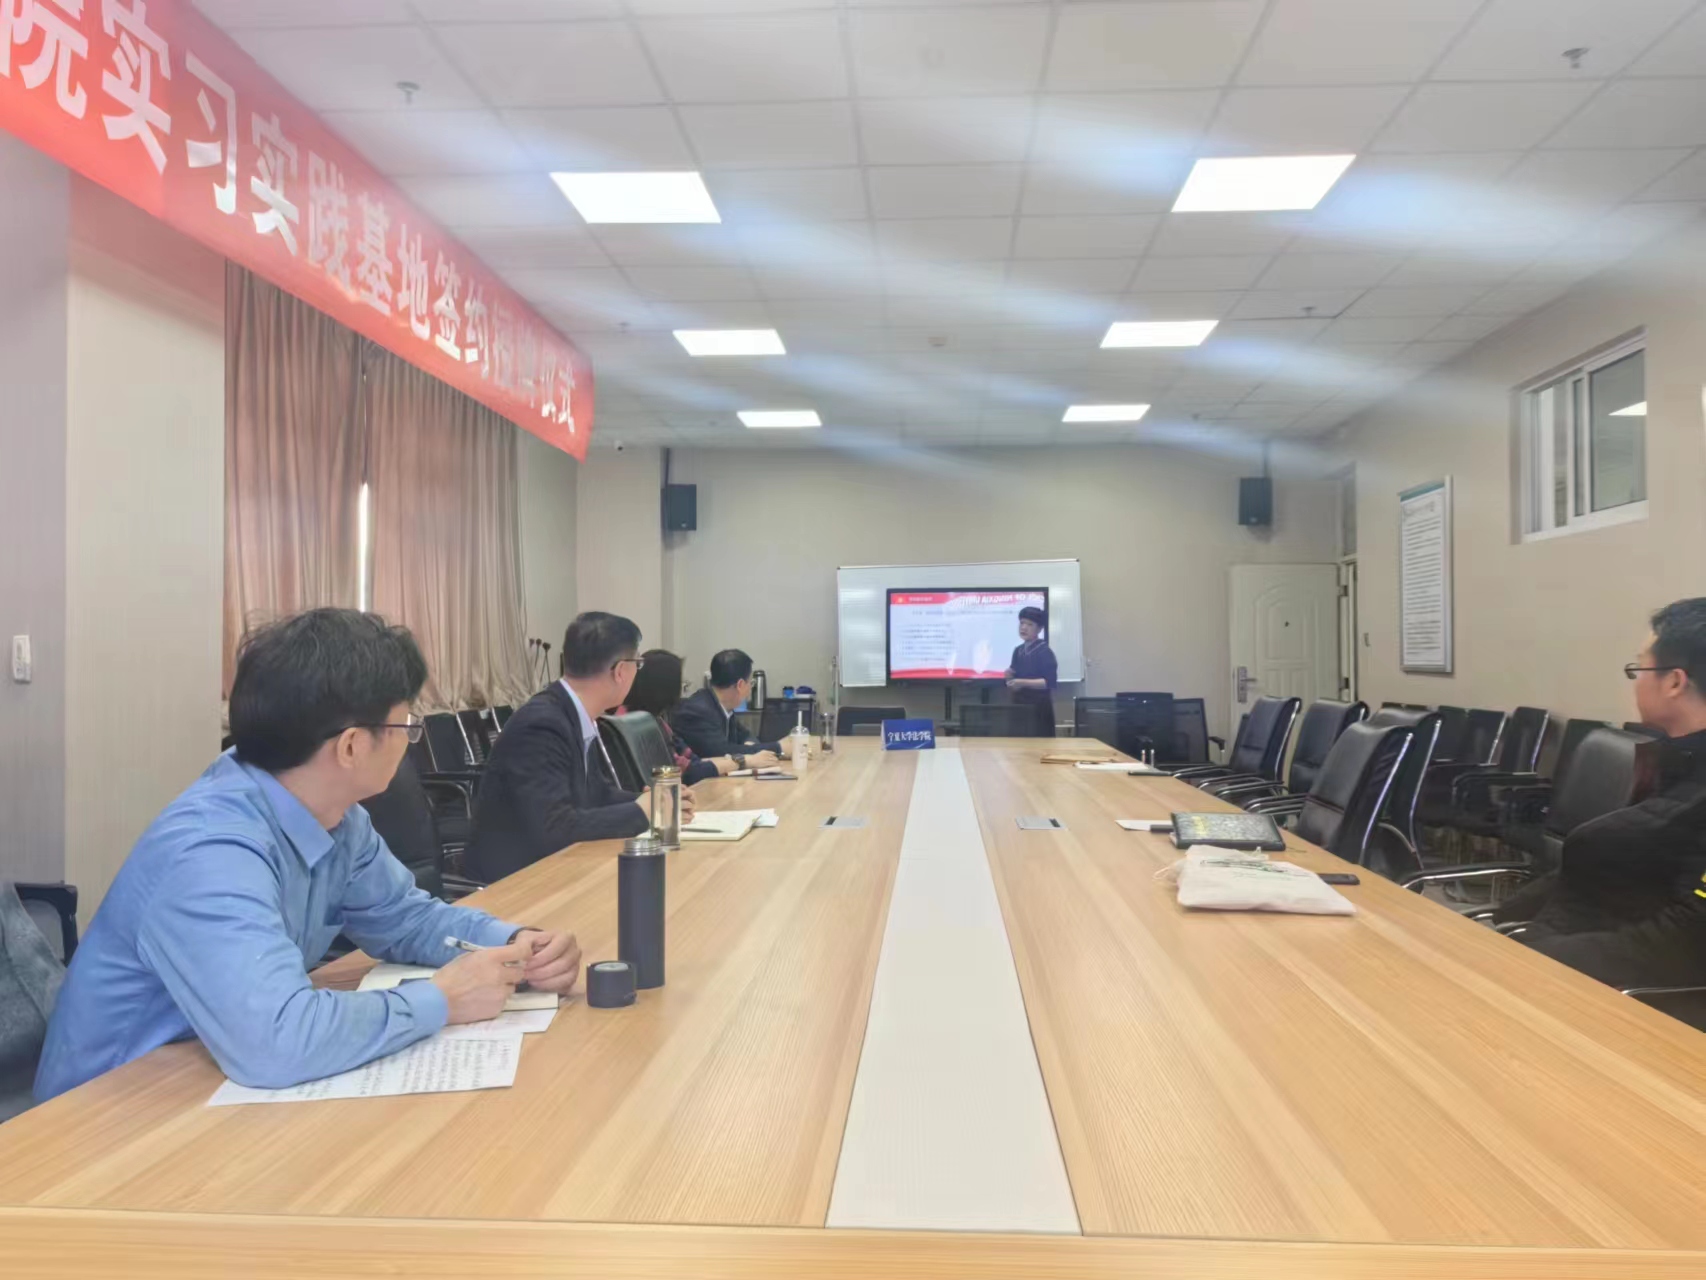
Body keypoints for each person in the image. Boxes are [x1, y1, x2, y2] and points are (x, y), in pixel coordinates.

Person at [35, 609, 582, 1103]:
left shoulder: (335, 815)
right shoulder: (210, 851)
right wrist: (442, 999)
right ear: (351, 746)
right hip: (104, 1115)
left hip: (207, 1075)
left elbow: (404, 918)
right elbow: (276, 1041)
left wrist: (514, 944)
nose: (410, 740)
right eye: (406, 726)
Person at [1492, 599, 1706, 993]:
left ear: (1674, 682)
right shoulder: (1679, 763)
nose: (1635, 682)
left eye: (1639, 669)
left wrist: (1530, 959)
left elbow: (1687, 942)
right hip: (1569, 952)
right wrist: (1498, 925)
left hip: (1619, 1000)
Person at [467, 612, 689, 882]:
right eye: (638, 664)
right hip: (518, 880)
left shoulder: (574, 712)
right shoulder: (541, 725)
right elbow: (554, 828)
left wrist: (656, 801)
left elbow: (596, 793)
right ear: (620, 671)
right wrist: (643, 811)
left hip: (560, 866)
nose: (637, 672)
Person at [623, 650, 781, 784]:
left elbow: (693, 762)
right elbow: (684, 771)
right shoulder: (640, 725)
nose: (682, 687)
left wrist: (743, 757)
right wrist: (743, 760)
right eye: (679, 681)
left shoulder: (658, 722)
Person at [672, 649, 784, 763]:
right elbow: (722, 753)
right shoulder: (698, 711)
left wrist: (749, 746)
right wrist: (779, 747)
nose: (750, 688)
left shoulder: (723, 706)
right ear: (740, 685)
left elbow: (746, 735)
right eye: (750, 682)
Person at [1004, 605, 1059, 738]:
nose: (1024, 627)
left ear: (1039, 629)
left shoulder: (1044, 651)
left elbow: (1049, 682)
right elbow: (1014, 680)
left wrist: (1021, 682)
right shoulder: (1018, 650)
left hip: (1039, 708)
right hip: (1019, 707)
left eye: (1030, 624)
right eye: (1022, 623)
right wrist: (1009, 677)